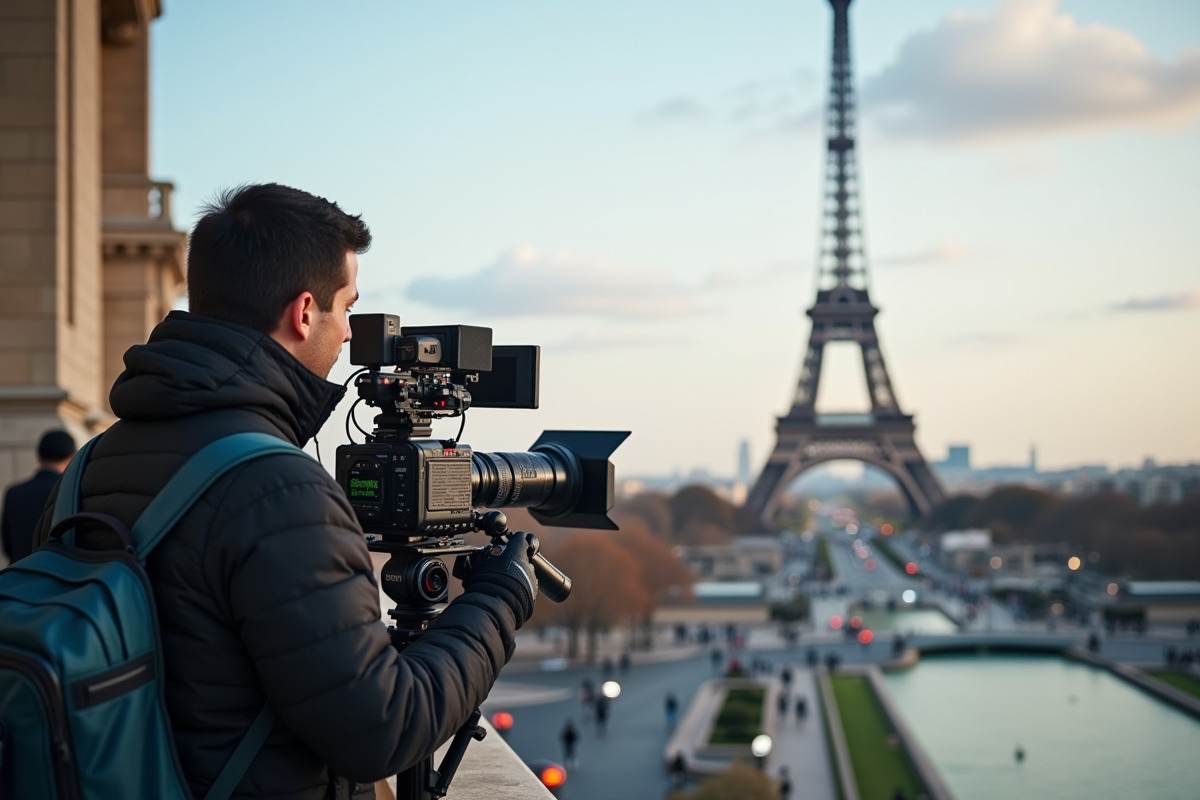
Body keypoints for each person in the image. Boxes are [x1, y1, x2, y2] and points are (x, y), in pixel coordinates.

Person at [33, 184, 539, 799]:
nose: (351, 333)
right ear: (304, 313)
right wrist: (499, 599)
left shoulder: (88, 467)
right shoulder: (279, 490)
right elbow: (383, 728)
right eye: (347, 306)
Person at [2, 429, 76, 565]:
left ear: (38, 456)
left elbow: (8, 545)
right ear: (71, 458)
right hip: (57, 574)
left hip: (19, 574)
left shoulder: (14, 493)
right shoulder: (70, 491)